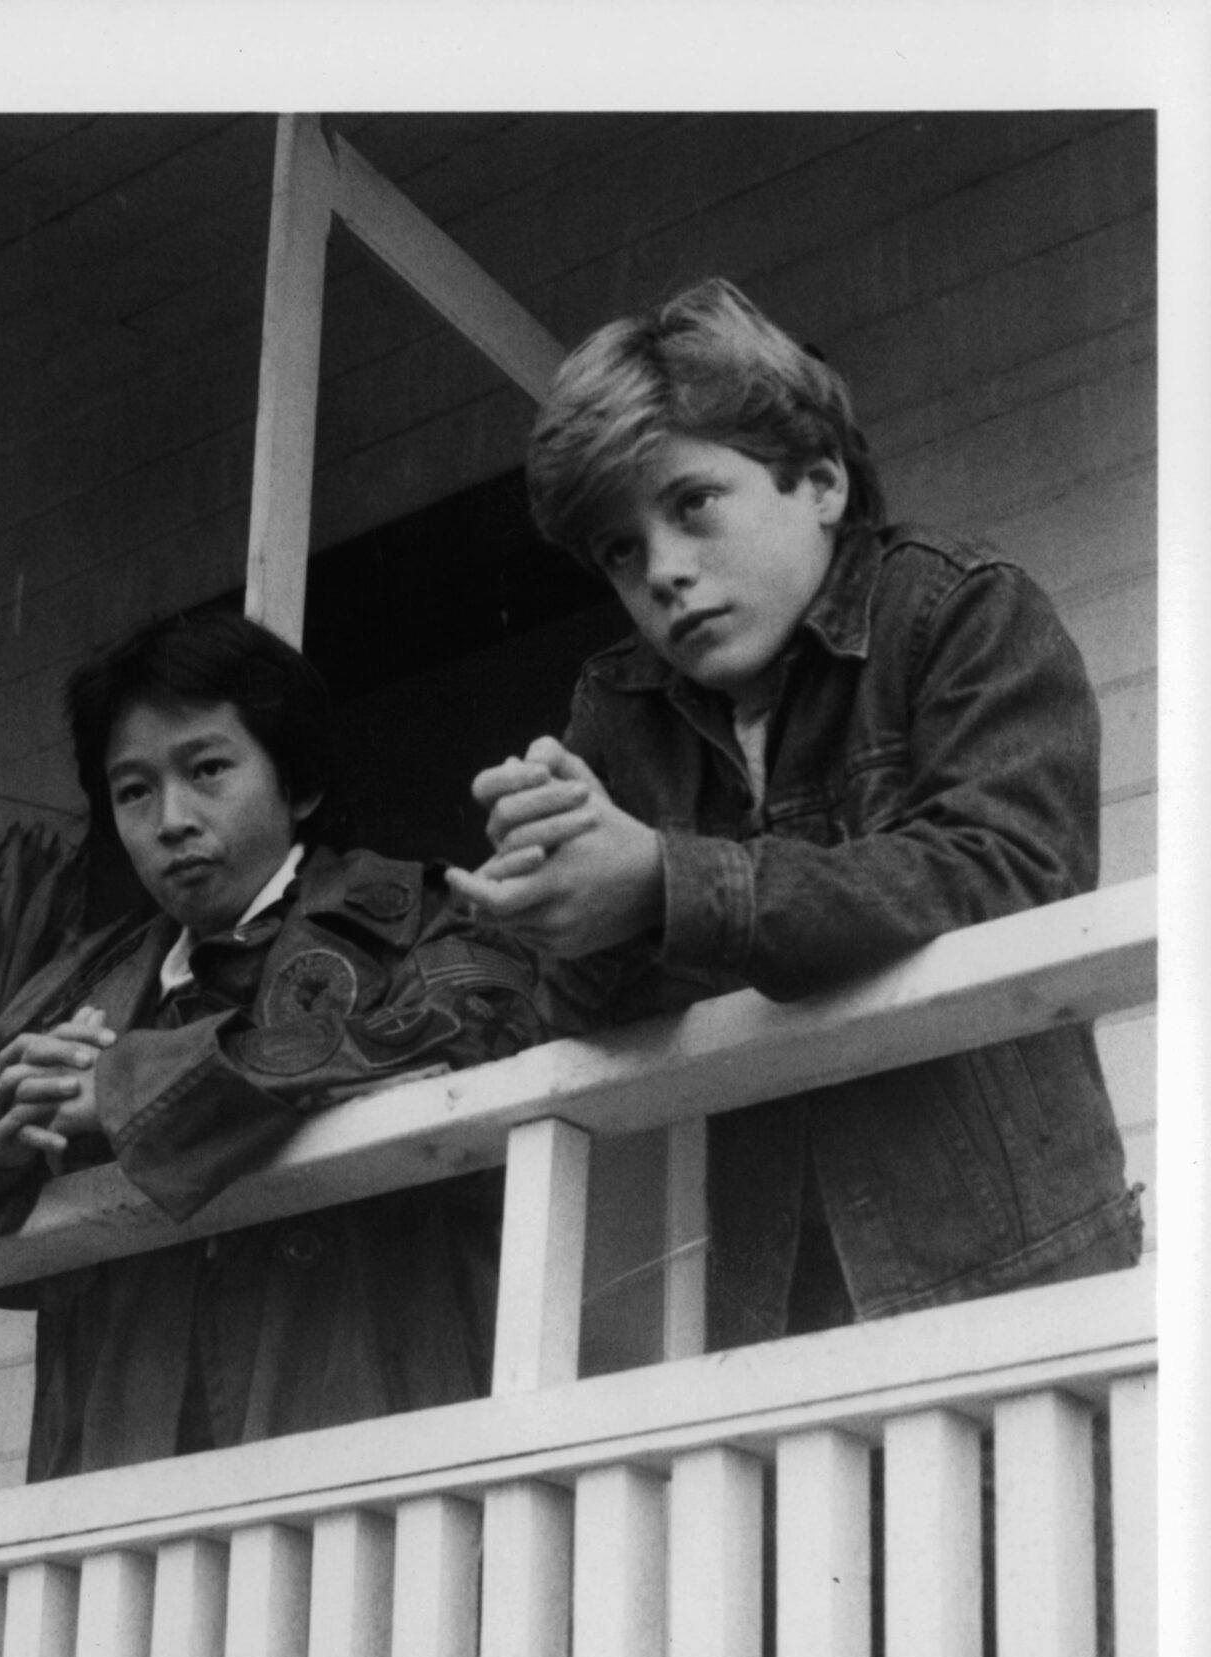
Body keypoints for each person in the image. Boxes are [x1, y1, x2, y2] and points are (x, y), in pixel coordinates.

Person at [445, 277, 1143, 1343]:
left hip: (1020, 1285)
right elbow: (593, 1023)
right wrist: (565, 907)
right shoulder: (620, 707)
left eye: (691, 504)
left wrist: (662, 881)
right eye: (620, 550)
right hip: (774, 1309)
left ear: (819, 481)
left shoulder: (957, 608)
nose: (662, 572)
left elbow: (1006, 875)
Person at [0, 611, 543, 1481]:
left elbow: (466, 1035)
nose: (172, 820)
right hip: (120, 1464)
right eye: (133, 791)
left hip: (359, 1433)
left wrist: (129, 1089)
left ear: (298, 784)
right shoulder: (83, 985)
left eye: (208, 771)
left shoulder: (422, 919)